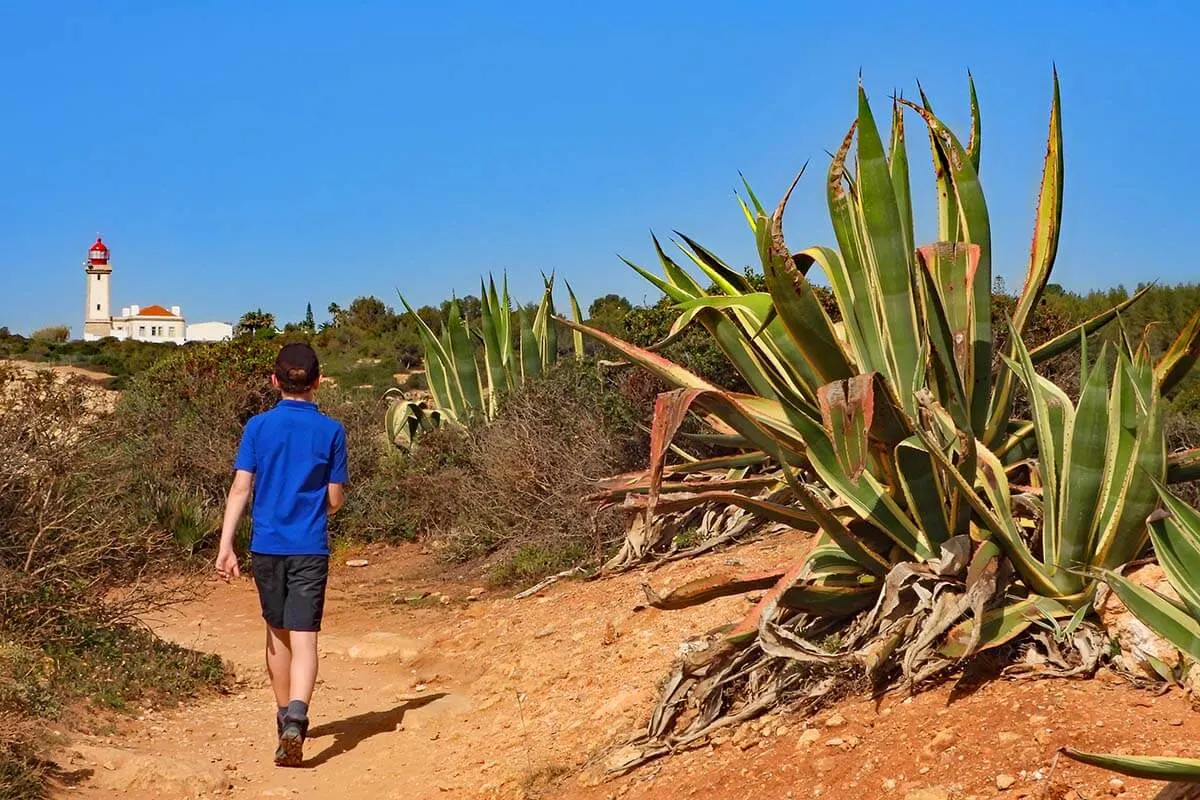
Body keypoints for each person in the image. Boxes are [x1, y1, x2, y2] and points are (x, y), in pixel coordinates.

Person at [214, 342, 348, 767]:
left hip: (266, 546)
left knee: (277, 633)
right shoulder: (332, 431)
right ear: (318, 382)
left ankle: (281, 720)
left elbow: (241, 488)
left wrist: (225, 546)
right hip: (310, 546)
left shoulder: (258, 427)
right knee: (305, 636)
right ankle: (298, 718)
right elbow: (336, 498)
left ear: (275, 381)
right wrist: (316, 508)